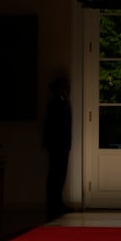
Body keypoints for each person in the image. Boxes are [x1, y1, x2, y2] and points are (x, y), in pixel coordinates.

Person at [42, 76, 72, 219]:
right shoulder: (55, 103)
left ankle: (57, 202)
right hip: (56, 144)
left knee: (60, 174)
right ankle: (53, 205)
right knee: (55, 174)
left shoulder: (64, 102)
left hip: (63, 144)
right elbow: (51, 125)